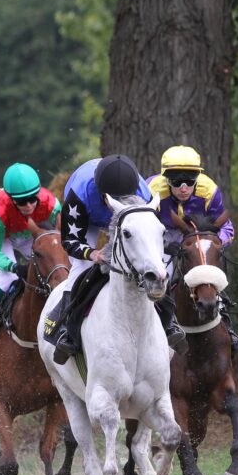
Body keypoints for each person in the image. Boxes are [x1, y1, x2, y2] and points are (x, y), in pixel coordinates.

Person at [50, 154, 187, 363]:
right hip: (90, 220)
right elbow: (69, 241)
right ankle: (69, 331)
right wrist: (92, 253)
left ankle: (170, 321)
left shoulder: (145, 196)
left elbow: (150, 240)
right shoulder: (78, 195)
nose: (118, 203)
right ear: (101, 193)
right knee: (81, 268)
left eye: (124, 197)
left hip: (130, 217)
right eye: (114, 199)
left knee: (152, 265)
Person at [146, 145, 238, 352]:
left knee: (207, 267)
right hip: (161, 234)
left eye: (190, 181)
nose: (183, 187)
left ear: (198, 178)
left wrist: (213, 243)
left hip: (197, 235)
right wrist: (162, 245)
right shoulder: (151, 192)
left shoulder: (209, 192)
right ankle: (157, 324)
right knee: (163, 272)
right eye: (176, 181)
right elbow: (142, 230)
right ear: (166, 180)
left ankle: (226, 323)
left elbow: (226, 227)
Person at [0, 163, 60, 347]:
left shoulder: (51, 203)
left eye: (32, 199)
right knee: (7, 280)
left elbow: (60, 234)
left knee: (52, 269)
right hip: (3, 238)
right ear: (11, 199)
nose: (28, 205)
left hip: (27, 233)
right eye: (22, 201)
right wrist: (15, 267)